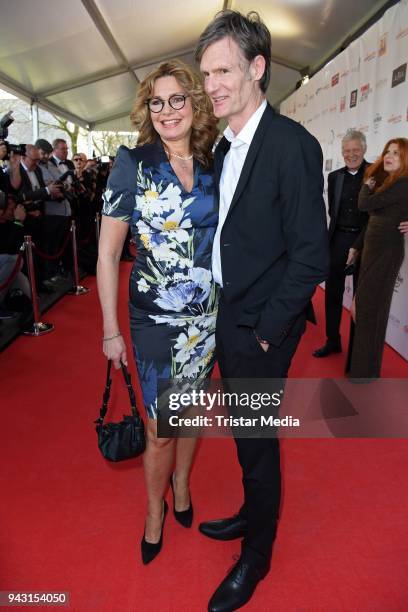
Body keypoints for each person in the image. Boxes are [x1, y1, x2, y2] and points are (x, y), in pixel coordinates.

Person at [196, 10, 329, 612]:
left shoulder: (293, 145)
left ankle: (258, 554)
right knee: (248, 438)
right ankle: (252, 516)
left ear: (257, 68)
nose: (213, 85)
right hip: (231, 316)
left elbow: (311, 257)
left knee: (256, 438)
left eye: (223, 69)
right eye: (206, 73)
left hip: (261, 327)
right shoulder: (226, 145)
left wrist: (270, 332)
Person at [97, 60, 218, 565]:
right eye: (157, 102)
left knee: (191, 411)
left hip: (206, 318)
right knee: (159, 425)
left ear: (195, 102)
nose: (167, 110)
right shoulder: (133, 162)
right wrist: (109, 329)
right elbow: (106, 254)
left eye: (177, 99)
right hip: (153, 319)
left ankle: (184, 484)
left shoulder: (217, 162)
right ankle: (154, 510)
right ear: (148, 110)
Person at [348, 138, 408, 379]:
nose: (389, 156)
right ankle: (365, 371)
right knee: (368, 311)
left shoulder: (403, 183)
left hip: (385, 252)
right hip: (375, 250)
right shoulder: (391, 182)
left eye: (396, 153)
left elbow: (364, 204)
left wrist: (366, 186)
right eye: (387, 152)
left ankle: (363, 374)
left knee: (367, 311)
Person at [313, 130, 369, 358]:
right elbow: (332, 210)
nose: (351, 154)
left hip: (364, 242)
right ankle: (332, 340)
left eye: (355, 150)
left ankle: (357, 349)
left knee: (361, 298)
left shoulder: (376, 172)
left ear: (363, 150)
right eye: (346, 151)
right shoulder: (334, 176)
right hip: (337, 241)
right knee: (332, 295)